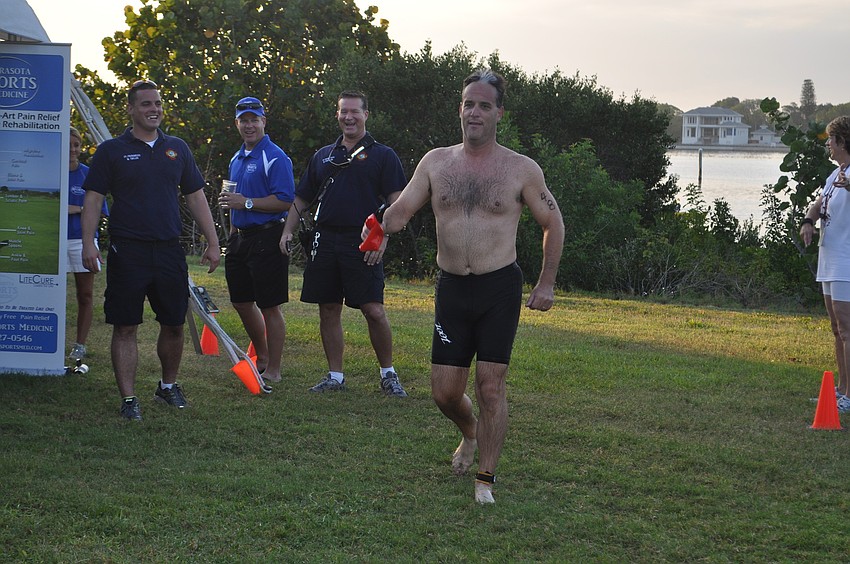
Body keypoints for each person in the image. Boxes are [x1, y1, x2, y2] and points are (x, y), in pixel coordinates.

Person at [362, 69, 565, 503]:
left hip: (498, 288)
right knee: (445, 393)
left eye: (484, 105)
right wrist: (380, 225)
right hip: (452, 288)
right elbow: (402, 210)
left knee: (491, 385)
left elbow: (553, 222)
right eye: (469, 104)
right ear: (460, 109)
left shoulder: (520, 169)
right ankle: (469, 432)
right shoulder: (436, 162)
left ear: (498, 114)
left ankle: (485, 480)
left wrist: (547, 282)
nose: (475, 112)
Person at [81, 79, 221, 421]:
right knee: (126, 326)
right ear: (131, 109)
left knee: (173, 323)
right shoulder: (111, 150)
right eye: (146, 104)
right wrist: (88, 243)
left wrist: (214, 240)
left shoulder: (177, 148)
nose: (154, 109)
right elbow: (94, 198)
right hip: (128, 251)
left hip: (169, 250)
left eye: (157, 103)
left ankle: (167, 386)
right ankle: (129, 400)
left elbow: (195, 195)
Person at [279, 90, 408, 397]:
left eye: (355, 112)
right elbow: (302, 198)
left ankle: (388, 375)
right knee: (328, 308)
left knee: (373, 310)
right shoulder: (323, 155)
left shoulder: (383, 155)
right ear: (337, 115)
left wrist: (383, 237)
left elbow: (397, 202)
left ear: (366, 115)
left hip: (364, 240)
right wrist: (287, 231)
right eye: (343, 112)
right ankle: (335, 376)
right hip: (325, 240)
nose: (349, 117)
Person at [218, 97, 294, 383]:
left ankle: (274, 368)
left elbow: (285, 201)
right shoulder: (236, 158)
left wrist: (246, 203)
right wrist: (234, 225)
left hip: (268, 235)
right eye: (243, 120)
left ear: (264, 121)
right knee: (240, 301)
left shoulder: (275, 156)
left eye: (254, 119)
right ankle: (260, 356)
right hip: (240, 237)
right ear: (236, 123)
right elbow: (234, 201)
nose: (249, 125)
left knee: (269, 305)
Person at [800, 115, 850, 414]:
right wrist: (808, 221)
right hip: (829, 258)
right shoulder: (835, 175)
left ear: (842, 141)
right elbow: (819, 204)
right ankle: (842, 391)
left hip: (847, 261)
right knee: (836, 328)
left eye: (831, 139)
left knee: (847, 328)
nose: (828, 145)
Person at [66, 126, 109, 361]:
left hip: (82, 241)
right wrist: (80, 209)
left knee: (85, 295)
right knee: (50, 293)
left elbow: (101, 211)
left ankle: (79, 345)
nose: (72, 150)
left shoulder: (88, 174)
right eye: (68, 144)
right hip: (54, 241)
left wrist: (75, 209)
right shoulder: (50, 172)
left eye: (76, 145)